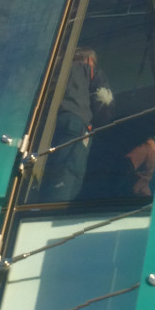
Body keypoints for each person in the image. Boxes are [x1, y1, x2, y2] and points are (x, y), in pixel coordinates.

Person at [38, 48, 110, 201]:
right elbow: (104, 99)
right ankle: (53, 212)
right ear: (90, 61)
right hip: (76, 123)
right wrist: (100, 122)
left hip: (49, 125)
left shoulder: (55, 70)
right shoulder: (89, 70)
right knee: (69, 171)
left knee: (46, 167)